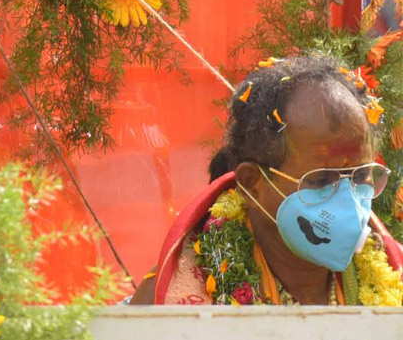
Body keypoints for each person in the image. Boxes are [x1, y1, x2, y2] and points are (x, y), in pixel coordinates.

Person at [132, 55, 403, 305]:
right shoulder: (173, 300)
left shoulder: (394, 278)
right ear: (252, 184)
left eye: (361, 176)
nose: (349, 201)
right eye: (321, 180)